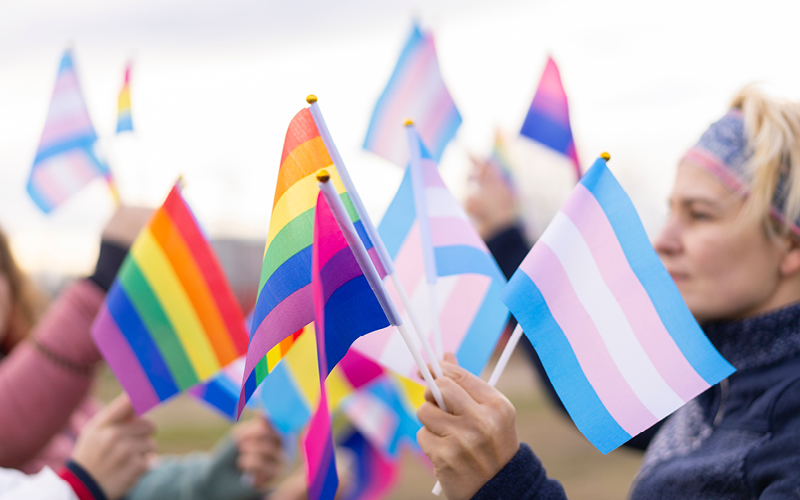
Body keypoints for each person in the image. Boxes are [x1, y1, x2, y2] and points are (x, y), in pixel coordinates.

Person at [419, 86, 800, 499]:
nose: (664, 239)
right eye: (671, 210)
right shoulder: (718, 384)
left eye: (700, 214)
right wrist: (505, 236)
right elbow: (589, 379)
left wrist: (504, 485)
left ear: (791, 245)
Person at [0, 208, 285, 499]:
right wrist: (81, 485)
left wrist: (215, 475)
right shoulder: (34, 392)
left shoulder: (63, 399)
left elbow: (134, 483)